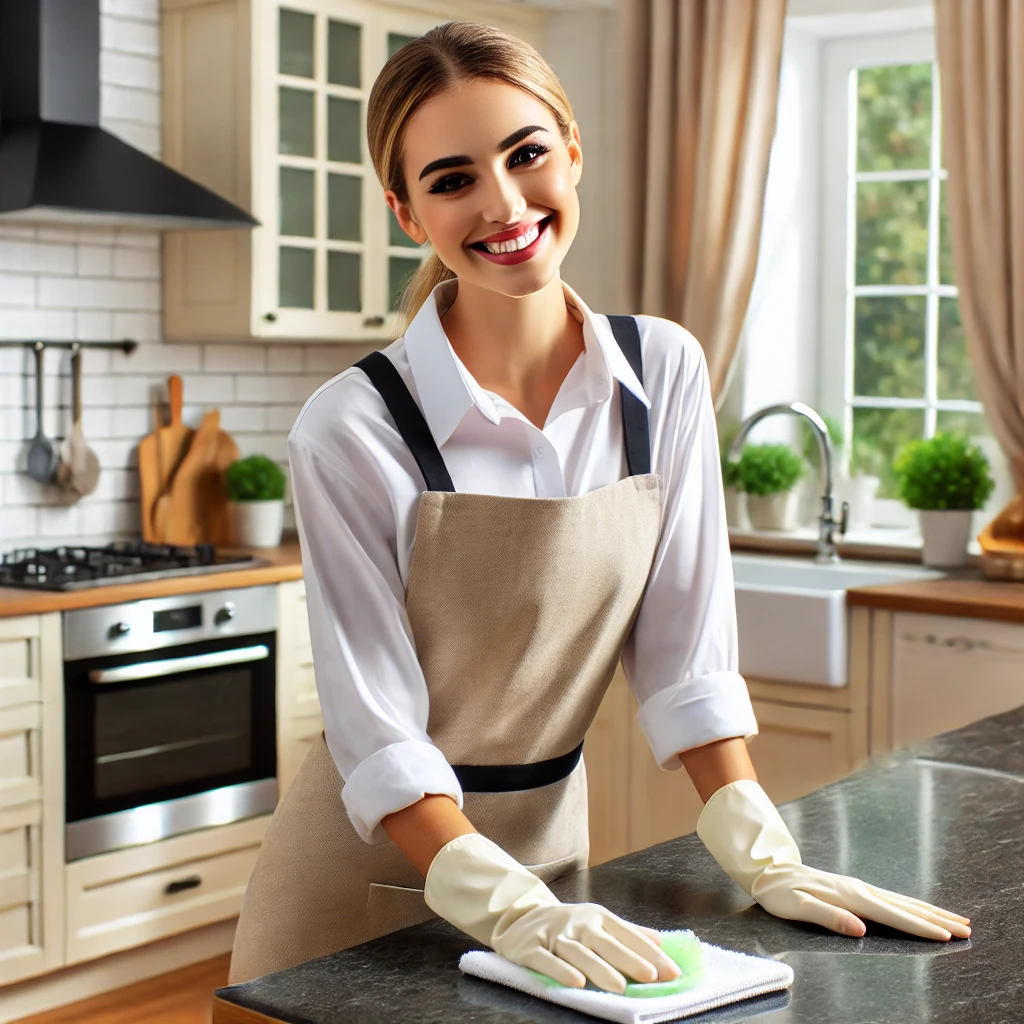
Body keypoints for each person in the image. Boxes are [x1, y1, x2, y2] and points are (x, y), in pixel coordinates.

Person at [229, 21, 970, 990]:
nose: (503, 203)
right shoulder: (352, 428)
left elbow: (684, 658)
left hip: (551, 870)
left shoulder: (662, 373)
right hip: (356, 888)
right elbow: (378, 732)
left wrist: (765, 857)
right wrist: (509, 907)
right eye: (452, 180)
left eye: (526, 154)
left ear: (572, 153)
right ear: (406, 212)